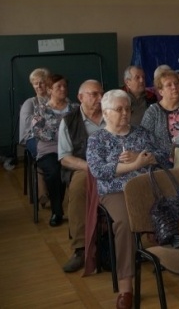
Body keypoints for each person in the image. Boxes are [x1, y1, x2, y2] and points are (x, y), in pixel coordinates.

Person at [86, 90, 169, 309]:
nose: (125, 113)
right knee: (124, 223)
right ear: (105, 113)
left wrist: (145, 158)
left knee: (174, 211)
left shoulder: (141, 133)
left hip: (146, 188)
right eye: (119, 109)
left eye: (128, 108)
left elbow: (163, 158)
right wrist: (133, 166)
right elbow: (98, 170)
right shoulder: (97, 139)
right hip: (115, 191)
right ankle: (126, 288)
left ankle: (178, 262)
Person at [57, 79, 105, 272]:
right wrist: (91, 167)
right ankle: (80, 248)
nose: (99, 98)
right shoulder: (69, 121)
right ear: (80, 97)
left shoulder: (112, 114)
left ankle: (133, 242)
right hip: (84, 167)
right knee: (78, 189)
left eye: (101, 94)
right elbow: (64, 157)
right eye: (94, 94)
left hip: (115, 165)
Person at [32, 74, 78, 227]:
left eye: (65, 86)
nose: (63, 89)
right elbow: (37, 131)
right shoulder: (41, 110)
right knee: (54, 171)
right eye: (59, 87)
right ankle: (56, 212)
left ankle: (79, 212)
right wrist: (61, 134)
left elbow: (80, 131)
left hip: (72, 150)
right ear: (50, 90)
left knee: (74, 171)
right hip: (49, 150)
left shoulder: (75, 108)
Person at [141, 70, 179, 158]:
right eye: (169, 85)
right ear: (161, 92)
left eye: (176, 83)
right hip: (164, 161)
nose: (174, 87)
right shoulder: (153, 112)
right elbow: (144, 141)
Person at [18, 67, 50, 192]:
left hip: (55, 136)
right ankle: (42, 188)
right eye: (35, 83)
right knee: (45, 151)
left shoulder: (57, 100)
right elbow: (29, 124)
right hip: (33, 137)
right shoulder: (30, 103)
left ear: (48, 82)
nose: (39, 85)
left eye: (41, 82)